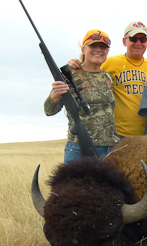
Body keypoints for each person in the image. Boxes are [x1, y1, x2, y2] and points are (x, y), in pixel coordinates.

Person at [69, 22, 147, 138]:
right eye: (133, 39)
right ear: (124, 41)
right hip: (117, 135)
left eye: (143, 39)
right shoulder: (109, 63)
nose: (138, 43)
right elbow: (89, 71)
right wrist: (74, 65)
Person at [44, 29, 119, 163]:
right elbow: (49, 110)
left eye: (103, 47)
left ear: (107, 52)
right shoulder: (70, 76)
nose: (98, 50)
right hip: (79, 147)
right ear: (83, 49)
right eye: (93, 45)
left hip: (110, 148)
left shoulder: (107, 77)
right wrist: (54, 95)